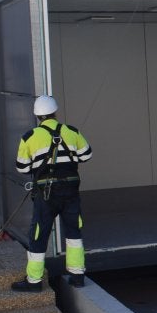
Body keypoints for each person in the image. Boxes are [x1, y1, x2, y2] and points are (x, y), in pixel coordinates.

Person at [13, 94, 93, 291]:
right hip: (70, 192)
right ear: (55, 112)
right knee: (74, 232)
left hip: (45, 195)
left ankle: (34, 281)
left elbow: (22, 168)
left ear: (37, 116)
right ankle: (77, 275)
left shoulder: (29, 137)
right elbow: (86, 155)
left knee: (39, 235)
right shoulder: (72, 131)